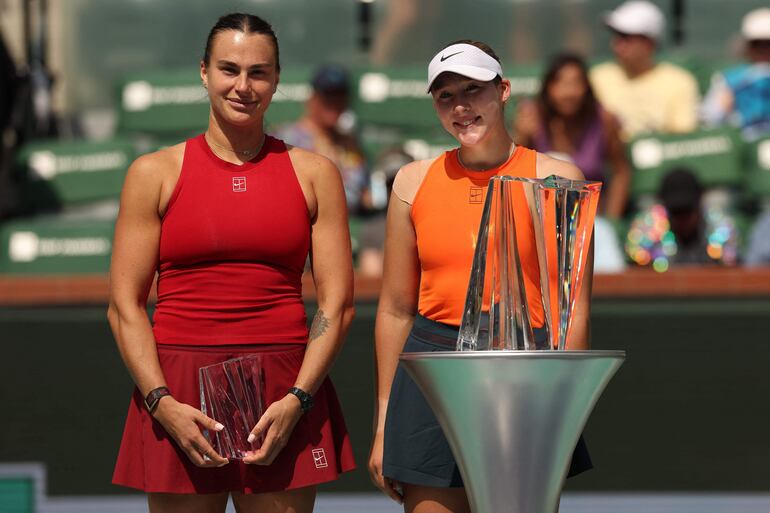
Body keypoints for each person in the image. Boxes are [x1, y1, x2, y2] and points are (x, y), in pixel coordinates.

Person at [108, 13, 355, 513]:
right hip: (176, 390)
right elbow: (124, 306)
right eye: (229, 69)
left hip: (283, 394)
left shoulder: (316, 174)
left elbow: (338, 304)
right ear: (204, 73)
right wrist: (163, 404)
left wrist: (298, 401)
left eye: (259, 72)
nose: (243, 86)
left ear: (277, 79)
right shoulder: (153, 173)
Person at [368, 40, 594, 513]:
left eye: (473, 89)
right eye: (445, 96)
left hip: (525, 368)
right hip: (432, 364)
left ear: (504, 90)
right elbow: (394, 309)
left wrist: (562, 411)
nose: (461, 106)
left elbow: (572, 307)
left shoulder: (558, 177)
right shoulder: (412, 181)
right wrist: (385, 419)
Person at [515, 52, 632, 219]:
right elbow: (516, 173)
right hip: (540, 218)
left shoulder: (603, 120)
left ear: (587, 87)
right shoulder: (532, 118)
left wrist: (612, 221)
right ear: (548, 87)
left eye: (576, 83)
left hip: (592, 220)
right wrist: (522, 137)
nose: (569, 92)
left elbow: (621, 171)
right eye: (560, 83)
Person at [590, 0, 699, 140]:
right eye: (616, 35)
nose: (617, 44)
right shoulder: (597, 77)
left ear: (649, 43)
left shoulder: (680, 81)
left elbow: (683, 139)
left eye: (626, 37)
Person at [276, 64, 369, 214]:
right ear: (313, 98)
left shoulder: (350, 144)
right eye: (328, 96)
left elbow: (361, 194)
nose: (334, 103)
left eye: (340, 96)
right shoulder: (286, 138)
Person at [701, 7, 770, 140]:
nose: (764, 50)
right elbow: (709, 122)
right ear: (747, 46)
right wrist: (723, 108)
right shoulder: (728, 80)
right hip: (742, 150)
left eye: (769, 44)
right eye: (757, 44)